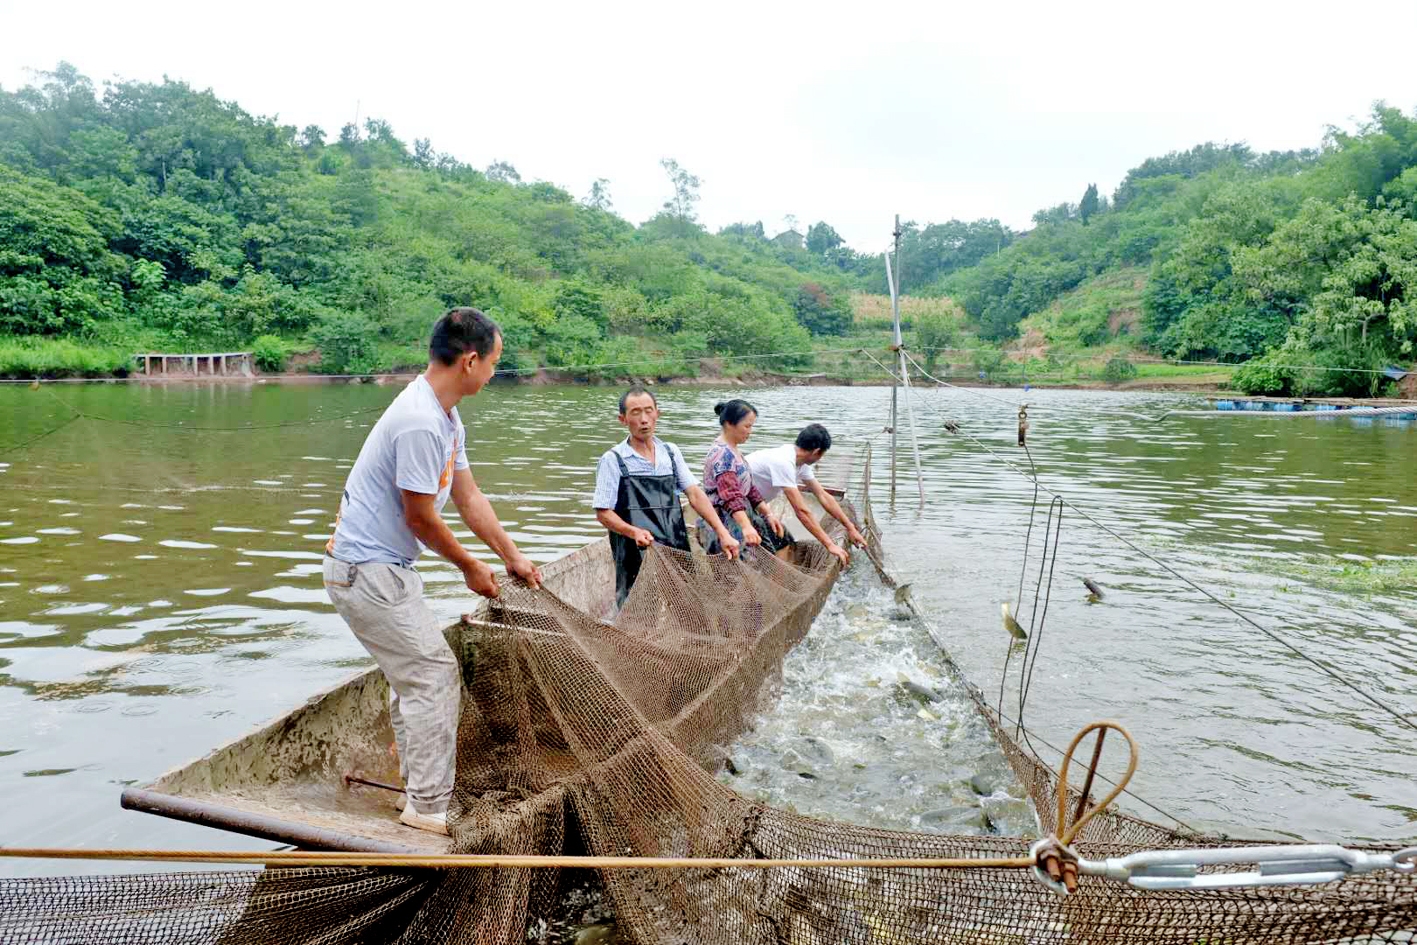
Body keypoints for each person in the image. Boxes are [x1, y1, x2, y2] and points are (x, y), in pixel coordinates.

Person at [323, 307, 542, 836]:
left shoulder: (446, 415)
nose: (494, 371)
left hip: (385, 570)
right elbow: (419, 517)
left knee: (414, 676)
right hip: (366, 572)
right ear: (470, 361)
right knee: (433, 676)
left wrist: (510, 555)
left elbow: (467, 496)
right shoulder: (420, 420)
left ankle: (416, 788)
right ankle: (425, 810)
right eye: (494, 361)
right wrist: (470, 565)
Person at [592, 387, 740, 608]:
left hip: (674, 542)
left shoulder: (670, 452)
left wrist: (723, 533)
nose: (644, 420)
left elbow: (695, 495)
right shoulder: (613, 459)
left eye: (648, 411)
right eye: (635, 413)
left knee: (687, 605)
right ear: (623, 419)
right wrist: (634, 532)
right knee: (638, 608)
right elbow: (603, 513)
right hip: (635, 548)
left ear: (657, 414)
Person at [746, 423, 867, 567]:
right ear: (817, 452)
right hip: (737, 508)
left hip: (755, 508)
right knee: (780, 541)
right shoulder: (783, 462)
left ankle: (779, 578)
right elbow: (801, 511)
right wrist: (829, 545)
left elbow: (823, 496)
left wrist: (850, 528)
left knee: (784, 540)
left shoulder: (800, 463)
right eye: (822, 454)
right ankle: (777, 581)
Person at [698, 399, 790, 558]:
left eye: (751, 426)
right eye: (747, 426)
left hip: (742, 513)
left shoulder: (734, 451)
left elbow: (749, 488)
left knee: (778, 541)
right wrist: (746, 527)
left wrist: (768, 514)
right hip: (723, 519)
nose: (750, 431)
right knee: (733, 571)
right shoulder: (722, 454)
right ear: (729, 424)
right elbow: (730, 495)